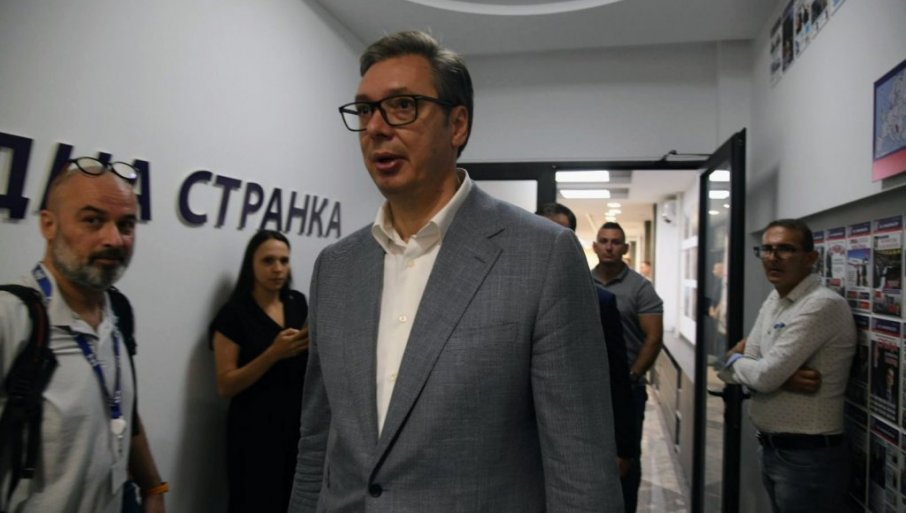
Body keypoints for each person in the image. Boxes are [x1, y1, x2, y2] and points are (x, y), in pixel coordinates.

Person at [289, 31, 622, 513]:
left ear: (457, 124)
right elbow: (318, 439)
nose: (376, 127)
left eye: (402, 106)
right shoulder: (335, 267)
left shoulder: (543, 255)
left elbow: (580, 466)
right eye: (364, 110)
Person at [0, 158, 165, 512]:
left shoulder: (118, 310)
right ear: (48, 224)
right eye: (93, 220)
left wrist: (153, 486)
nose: (114, 239)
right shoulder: (11, 318)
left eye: (126, 225)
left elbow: (121, 406)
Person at [718, 219, 856, 513]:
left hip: (809, 458)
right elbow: (739, 366)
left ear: (811, 258)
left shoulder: (821, 304)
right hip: (775, 450)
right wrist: (775, 374)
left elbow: (762, 375)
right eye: (767, 249)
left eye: (786, 249)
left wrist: (741, 363)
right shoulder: (775, 299)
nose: (773, 257)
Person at [209, 230, 309, 513]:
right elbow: (225, 385)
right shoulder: (234, 314)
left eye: (284, 260)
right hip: (254, 433)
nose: (277, 269)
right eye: (268, 261)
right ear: (250, 264)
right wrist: (273, 353)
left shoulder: (297, 302)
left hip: (296, 427)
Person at [536, 203, 638, 478]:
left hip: (577, 439)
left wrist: (624, 447)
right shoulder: (504, 299)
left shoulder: (599, 303)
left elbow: (616, 378)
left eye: (560, 235)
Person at [591, 221, 664, 513]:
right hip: (591, 390)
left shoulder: (640, 288)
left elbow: (653, 338)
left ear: (625, 248)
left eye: (615, 242)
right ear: (595, 246)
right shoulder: (581, 281)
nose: (609, 247)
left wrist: (631, 377)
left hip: (627, 392)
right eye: (604, 241)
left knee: (626, 461)